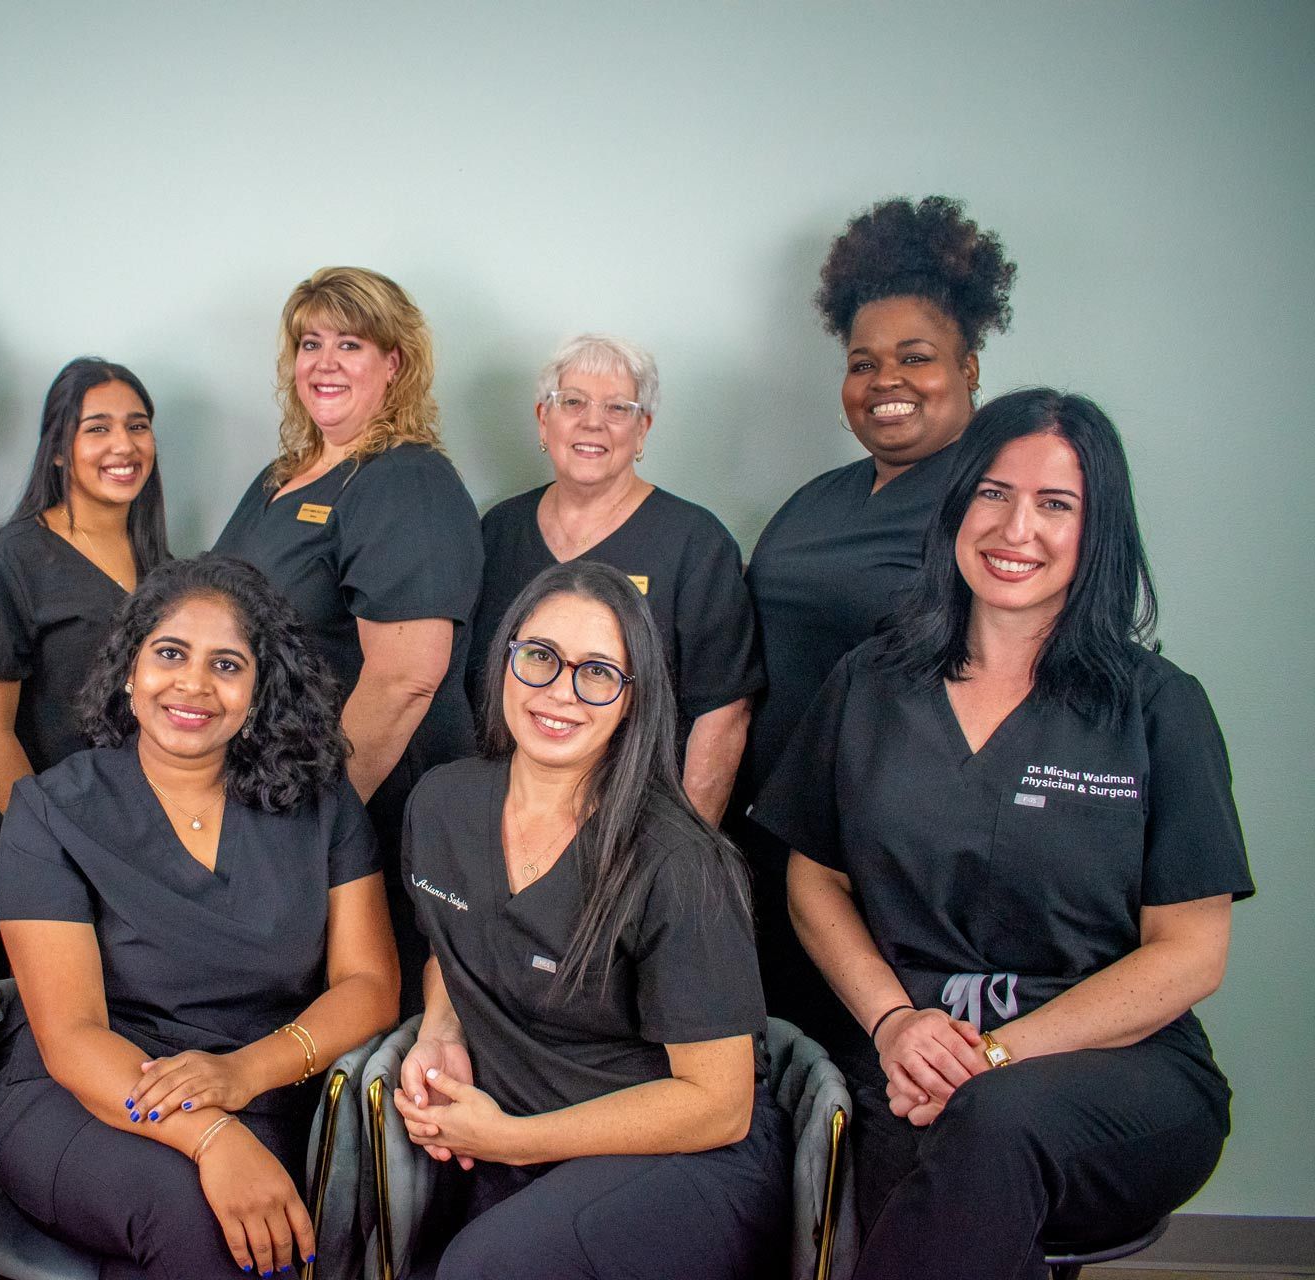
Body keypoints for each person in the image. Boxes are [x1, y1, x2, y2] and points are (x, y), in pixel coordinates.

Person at [754, 390, 1251, 1277]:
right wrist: (897, 1021)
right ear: (956, 505)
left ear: (1097, 530)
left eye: (1055, 504)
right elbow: (813, 880)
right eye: (992, 493)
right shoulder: (870, 682)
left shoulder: (1157, 707)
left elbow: (1190, 954)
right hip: (909, 1058)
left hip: (1116, 1074)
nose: (1016, 527)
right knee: (921, 1175)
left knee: (988, 1121)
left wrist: (995, 1053)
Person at [0, 554, 400, 1280]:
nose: (193, 685)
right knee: (199, 1219)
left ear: (260, 688)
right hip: (84, 1098)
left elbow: (370, 985)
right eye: (170, 653)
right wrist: (213, 1141)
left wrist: (241, 1075)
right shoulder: (51, 810)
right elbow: (72, 1038)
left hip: (260, 1093)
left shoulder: (322, 804)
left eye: (227, 665)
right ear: (129, 670)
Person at [396, 560, 789, 1280]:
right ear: (505, 659)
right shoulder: (442, 804)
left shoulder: (678, 860)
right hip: (522, 1140)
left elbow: (719, 1105)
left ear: (634, 699)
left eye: (598, 672)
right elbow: (455, 945)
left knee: (483, 1269)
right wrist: (440, 1031)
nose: (559, 694)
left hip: (678, 1162)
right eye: (540, 658)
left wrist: (515, 1140)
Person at [730, 196, 1018, 1050]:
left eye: (916, 357)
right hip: (771, 834)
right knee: (784, 1074)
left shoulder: (993, 505)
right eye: (863, 362)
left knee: (882, 1076)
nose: (884, 380)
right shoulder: (818, 500)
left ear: (969, 369)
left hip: (893, 862)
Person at [213, 266, 483, 1004]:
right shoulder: (284, 475)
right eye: (310, 343)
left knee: (361, 1019)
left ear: (394, 364)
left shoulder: (405, 480)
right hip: (270, 795)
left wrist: (314, 824)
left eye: (350, 344)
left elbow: (404, 680)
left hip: (367, 806)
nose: (323, 362)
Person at [468, 334, 760, 825]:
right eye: (573, 402)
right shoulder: (498, 530)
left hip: (637, 823)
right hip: (505, 811)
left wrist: (683, 853)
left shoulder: (695, 542)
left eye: (617, 408)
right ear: (544, 419)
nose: (592, 422)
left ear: (642, 429)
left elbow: (723, 716)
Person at [0, 356, 170, 817]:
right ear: (58, 450)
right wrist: (45, 839)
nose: (124, 445)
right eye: (97, 429)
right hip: (56, 835)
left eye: (137, 427)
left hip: (150, 827)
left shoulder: (164, 569)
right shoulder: (10, 561)